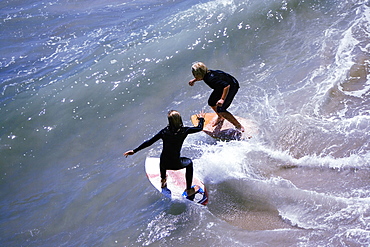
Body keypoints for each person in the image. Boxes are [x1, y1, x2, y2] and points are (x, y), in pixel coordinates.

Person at [124, 110, 205, 197]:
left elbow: (149, 142)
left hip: (164, 164)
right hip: (176, 163)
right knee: (189, 162)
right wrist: (201, 119)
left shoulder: (164, 132)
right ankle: (189, 190)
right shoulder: (185, 131)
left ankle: (163, 180)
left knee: (163, 158)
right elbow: (199, 128)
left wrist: (134, 151)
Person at [189, 62, 244, 132]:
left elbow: (226, 86)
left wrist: (222, 99)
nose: (194, 76)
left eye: (195, 75)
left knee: (221, 109)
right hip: (221, 87)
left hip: (232, 86)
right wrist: (194, 80)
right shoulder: (206, 73)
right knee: (211, 102)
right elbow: (202, 76)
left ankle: (238, 125)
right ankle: (220, 117)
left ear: (199, 74)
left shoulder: (211, 79)